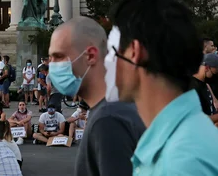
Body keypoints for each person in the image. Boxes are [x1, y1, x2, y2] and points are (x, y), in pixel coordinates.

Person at [109, 0, 218, 175]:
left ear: (134, 52)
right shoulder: (186, 142)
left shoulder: (179, 161)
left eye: (111, 51)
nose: (106, 62)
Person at [47, 16, 145, 175]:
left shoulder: (108, 120)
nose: (52, 66)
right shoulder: (118, 107)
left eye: (58, 57)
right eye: (50, 58)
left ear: (91, 56)